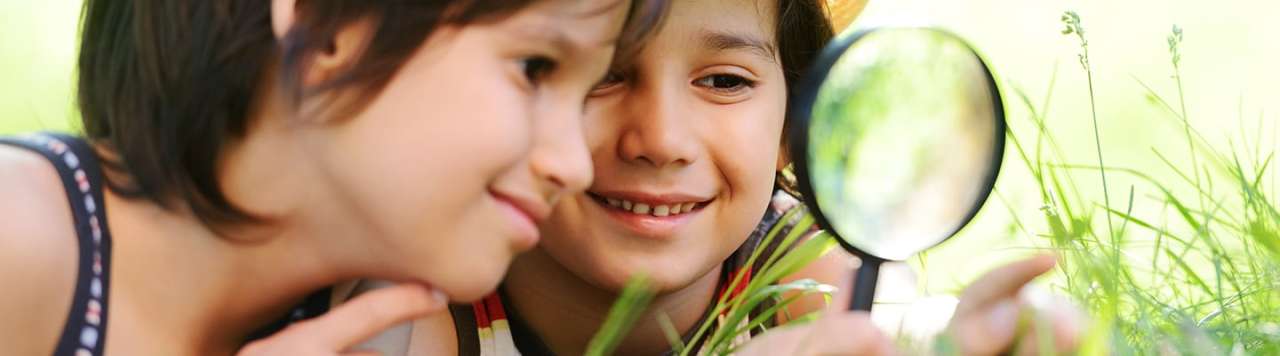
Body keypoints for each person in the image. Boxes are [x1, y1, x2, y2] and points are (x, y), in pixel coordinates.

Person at [356, 0, 1084, 354]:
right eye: (604, 76)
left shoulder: (803, 273)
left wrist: (951, 339)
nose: (661, 140)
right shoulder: (424, 293)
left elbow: (893, 330)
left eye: (726, 81)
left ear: (793, 129)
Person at [0, 0, 669, 354]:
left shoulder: (381, 320)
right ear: (330, 26)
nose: (574, 163)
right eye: (536, 68)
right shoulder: (22, 238)